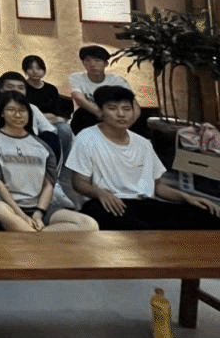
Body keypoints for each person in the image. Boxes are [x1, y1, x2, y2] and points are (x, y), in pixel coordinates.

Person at [66, 85, 220, 230]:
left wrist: (188, 198)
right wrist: (100, 193)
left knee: (208, 217)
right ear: (100, 112)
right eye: (112, 108)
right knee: (141, 230)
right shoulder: (87, 138)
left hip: (143, 204)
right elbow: (79, 183)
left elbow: (158, 187)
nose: (121, 114)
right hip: (107, 203)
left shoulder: (143, 143)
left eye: (126, 109)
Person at [0, 88, 98, 232]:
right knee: (5, 213)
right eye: (11, 110)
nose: (18, 115)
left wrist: (38, 214)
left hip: (38, 205)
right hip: (4, 203)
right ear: (2, 113)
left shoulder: (42, 146)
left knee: (89, 224)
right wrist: (21, 215)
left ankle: (35, 237)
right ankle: (35, 236)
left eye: (23, 110)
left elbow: (49, 184)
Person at [0, 72, 61, 161]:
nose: (16, 90)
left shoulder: (32, 107)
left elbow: (50, 130)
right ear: (1, 89)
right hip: (7, 147)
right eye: (10, 87)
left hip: (32, 146)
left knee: (51, 137)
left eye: (20, 88)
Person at [68, 45, 145, 136]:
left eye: (97, 60)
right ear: (83, 63)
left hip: (115, 118)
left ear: (106, 63)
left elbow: (134, 104)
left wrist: (128, 123)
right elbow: (79, 99)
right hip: (89, 118)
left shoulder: (117, 80)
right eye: (88, 61)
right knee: (83, 113)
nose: (92, 64)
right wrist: (104, 115)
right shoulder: (76, 78)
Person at [22, 54, 74, 158]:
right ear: (25, 71)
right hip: (29, 122)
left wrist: (49, 117)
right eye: (31, 68)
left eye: (39, 68)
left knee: (65, 129)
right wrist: (45, 117)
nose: (35, 71)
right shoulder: (22, 87)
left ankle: (62, 160)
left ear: (44, 70)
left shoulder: (51, 89)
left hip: (51, 122)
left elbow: (57, 112)